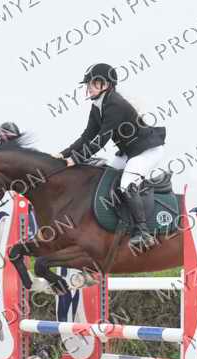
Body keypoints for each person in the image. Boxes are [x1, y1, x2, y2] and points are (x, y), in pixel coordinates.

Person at [55, 63, 166, 248]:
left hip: (147, 150)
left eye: (93, 83)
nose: (89, 87)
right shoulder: (98, 104)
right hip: (129, 152)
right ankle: (117, 223)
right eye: (88, 83)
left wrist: (75, 159)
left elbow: (101, 140)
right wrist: (62, 154)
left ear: (105, 84)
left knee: (126, 184)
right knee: (105, 179)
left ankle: (143, 232)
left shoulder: (115, 104)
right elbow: (87, 136)